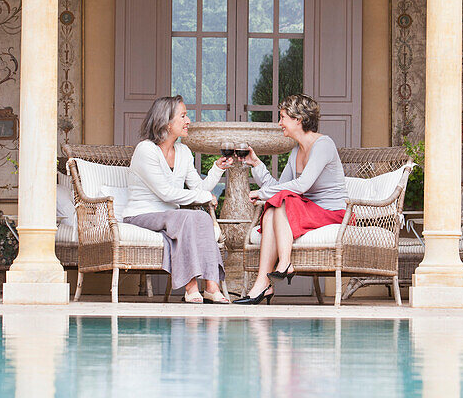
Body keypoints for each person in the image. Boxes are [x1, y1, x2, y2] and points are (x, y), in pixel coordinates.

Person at [234, 94, 347, 305]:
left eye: (283, 117)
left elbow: (301, 186)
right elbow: (277, 188)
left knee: (282, 199)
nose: (279, 123)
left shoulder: (323, 145)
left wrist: (261, 194)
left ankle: (285, 263)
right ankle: (263, 284)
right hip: (307, 210)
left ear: (299, 119)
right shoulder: (296, 151)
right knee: (272, 207)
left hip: (332, 213)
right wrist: (256, 164)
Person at [124, 96, 232, 303]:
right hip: (141, 214)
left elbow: (198, 189)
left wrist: (217, 169)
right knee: (186, 218)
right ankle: (191, 288)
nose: (188, 120)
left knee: (201, 218)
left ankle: (211, 285)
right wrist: (203, 196)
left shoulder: (183, 151)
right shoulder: (145, 150)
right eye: (183, 116)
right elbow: (165, 193)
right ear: (165, 122)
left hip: (171, 216)